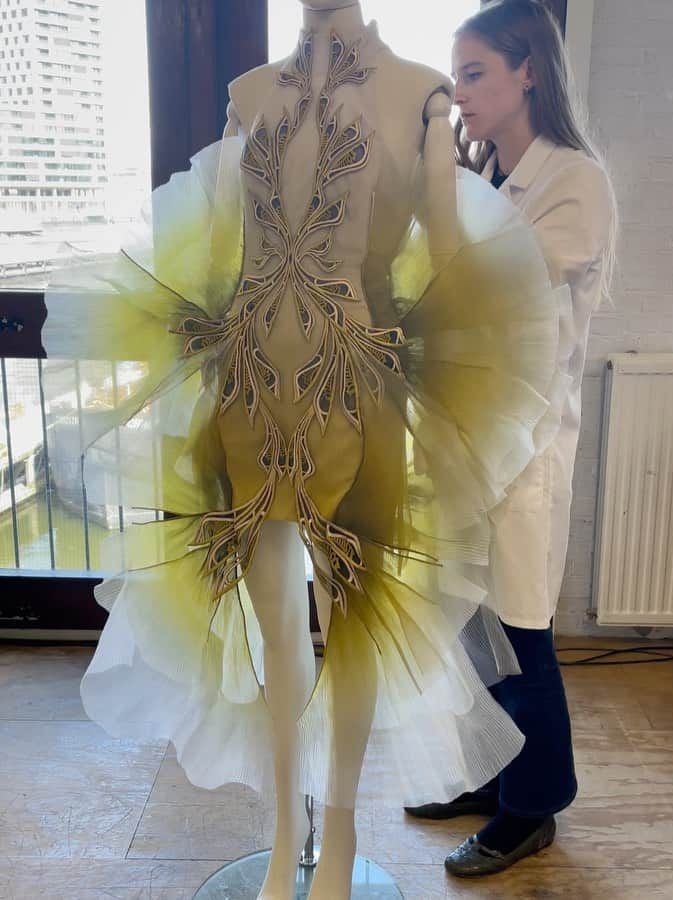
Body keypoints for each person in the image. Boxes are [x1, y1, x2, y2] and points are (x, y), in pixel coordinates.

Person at [41, 1, 565, 897]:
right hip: (244, 390)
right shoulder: (248, 94)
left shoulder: (420, 96)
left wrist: (444, 394)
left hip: (357, 395)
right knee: (275, 627)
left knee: (353, 623)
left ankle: (342, 833)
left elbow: (451, 267)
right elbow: (210, 252)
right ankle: (286, 832)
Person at [404, 0, 616, 879]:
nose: (461, 93)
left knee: (522, 633)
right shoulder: (492, 178)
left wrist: (441, 195)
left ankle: (533, 805)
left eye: (475, 72)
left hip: (524, 449)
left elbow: (498, 292)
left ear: (529, 69)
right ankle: (494, 776)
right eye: (456, 76)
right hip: (469, 437)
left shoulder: (575, 179)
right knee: (474, 628)